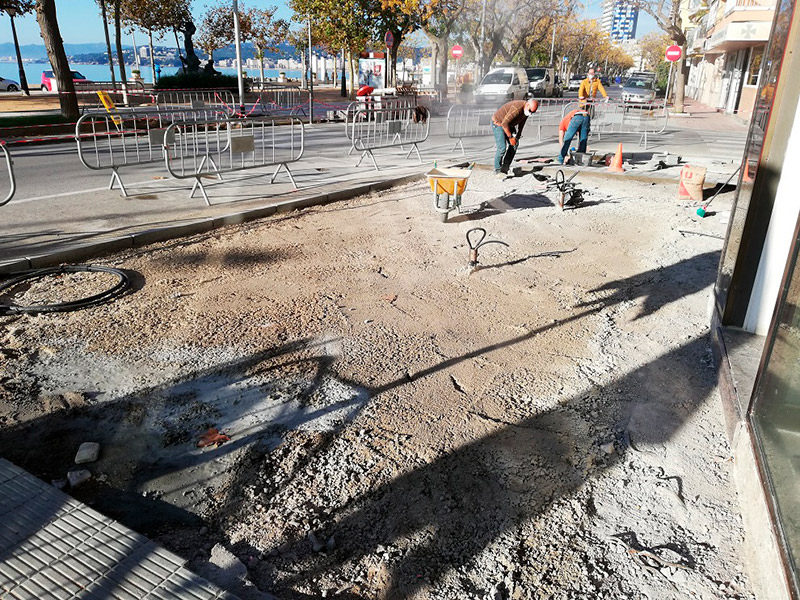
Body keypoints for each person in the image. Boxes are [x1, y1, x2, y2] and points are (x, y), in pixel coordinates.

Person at [491, 98, 539, 178]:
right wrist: (510, 137)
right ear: (527, 105)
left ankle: (505, 168)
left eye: (533, 112)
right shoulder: (516, 109)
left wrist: (518, 135)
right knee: (502, 148)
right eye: (530, 111)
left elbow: (522, 123)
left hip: (509, 125)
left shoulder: (526, 111)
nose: (530, 113)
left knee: (515, 144)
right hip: (498, 123)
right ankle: (497, 169)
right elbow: (504, 124)